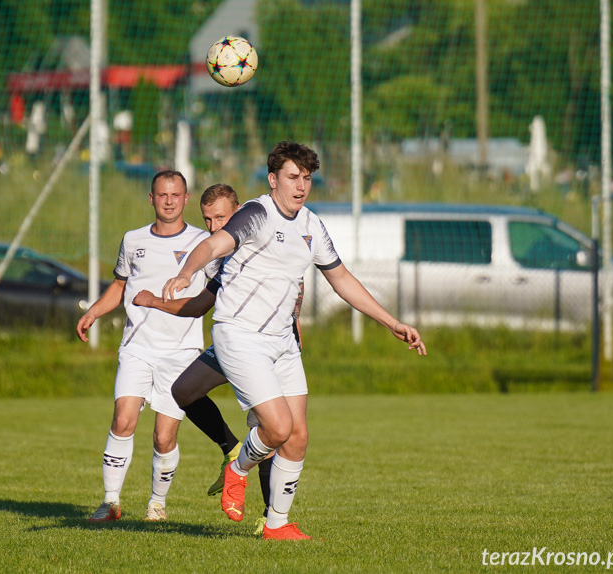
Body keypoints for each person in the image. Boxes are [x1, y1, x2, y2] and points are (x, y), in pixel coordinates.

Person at [163, 141, 427, 540]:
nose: (301, 185)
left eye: (306, 178)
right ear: (273, 180)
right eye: (292, 177)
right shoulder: (257, 213)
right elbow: (215, 244)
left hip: (281, 340)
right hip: (240, 334)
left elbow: (341, 278)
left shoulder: (311, 225)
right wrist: (186, 272)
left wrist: (390, 321)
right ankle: (237, 470)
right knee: (278, 427)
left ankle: (276, 525)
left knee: (298, 435)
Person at [132, 182, 305, 536]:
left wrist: (292, 331)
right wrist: (154, 302)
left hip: (266, 346)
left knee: (272, 431)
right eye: (207, 219)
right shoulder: (222, 256)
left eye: (221, 218)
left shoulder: (264, 239)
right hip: (234, 344)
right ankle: (231, 449)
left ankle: (270, 517)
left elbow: (292, 291)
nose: (213, 227)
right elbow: (199, 305)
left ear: (240, 212)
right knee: (183, 391)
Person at [77, 170, 217, 523]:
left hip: (181, 354)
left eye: (175, 195)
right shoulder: (133, 240)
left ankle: (157, 503)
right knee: (123, 419)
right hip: (137, 347)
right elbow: (120, 285)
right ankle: (110, 503)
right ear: (151, 198)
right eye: (162, 194)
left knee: (164, 436)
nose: (168, 200)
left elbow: (218, 289)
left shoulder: (205, 242)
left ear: (186, 199)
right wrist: (94, 311)